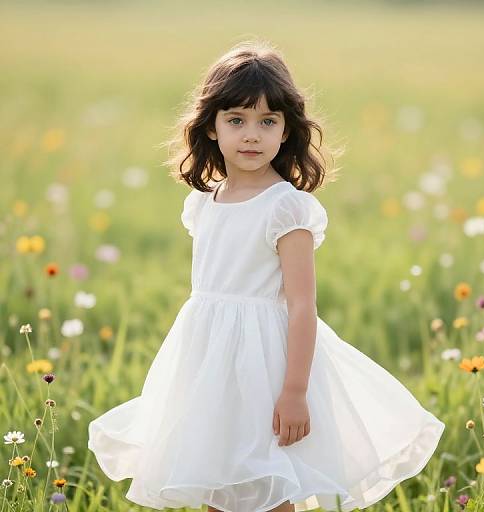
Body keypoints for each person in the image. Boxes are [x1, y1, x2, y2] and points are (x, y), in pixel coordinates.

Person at [87, 40, 445, 512]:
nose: (251, 135)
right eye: (236, 120)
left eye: (267, 122)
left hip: (268, 364)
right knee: (216, 477)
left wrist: (294, 392)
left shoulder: (286, 208)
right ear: (211, 127)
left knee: (269, 484)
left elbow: (301, 305)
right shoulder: (204, 203)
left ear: (286, 130)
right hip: (210, 360)